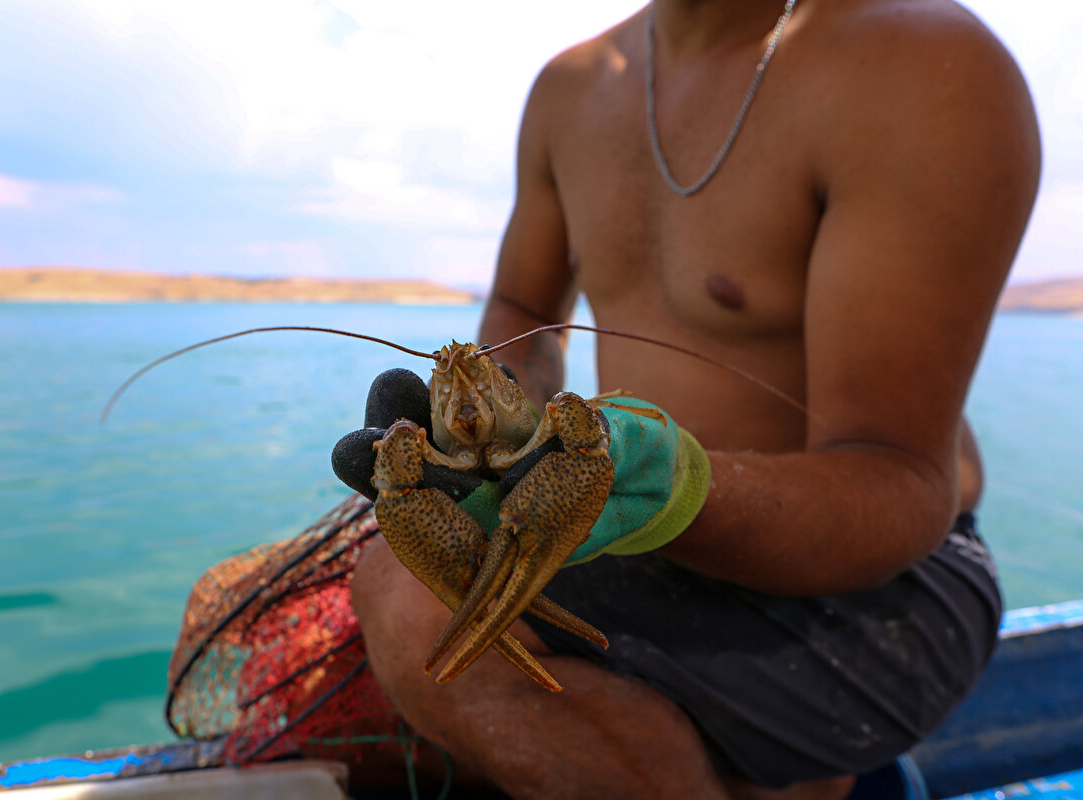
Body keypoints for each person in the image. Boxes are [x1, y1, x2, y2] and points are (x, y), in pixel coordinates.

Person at [346, 0, 1041, 797]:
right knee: (419, 578)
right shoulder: (569, 88)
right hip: (647, 538)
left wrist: (673, 489)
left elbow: (902, 479)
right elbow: (523, 318)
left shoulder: (921, 63)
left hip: (890, 584)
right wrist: (494, 436)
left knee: (411, 609)